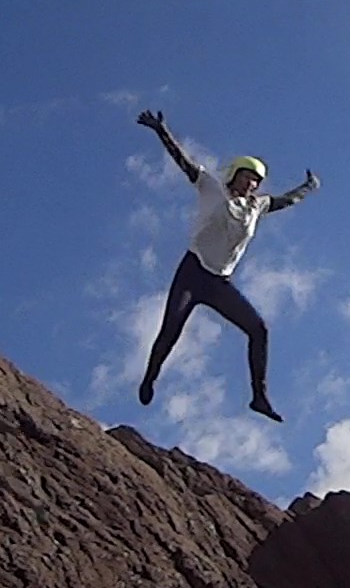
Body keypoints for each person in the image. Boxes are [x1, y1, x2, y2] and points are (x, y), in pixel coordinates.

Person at [135, 108, 319, 422]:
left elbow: (287, 201)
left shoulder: (256, 206)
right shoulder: (210, 186)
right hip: (192, 272)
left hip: (219, 282)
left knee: (259, 330)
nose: (253, 185)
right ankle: (150, 377)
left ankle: (259, 397)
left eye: (257, 181)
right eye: (249, 177)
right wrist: (160, 130)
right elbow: (182, 161)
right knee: (171, 330)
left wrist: (308, 187)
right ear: (235, 174)